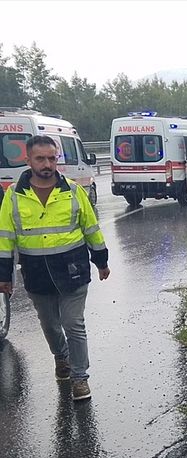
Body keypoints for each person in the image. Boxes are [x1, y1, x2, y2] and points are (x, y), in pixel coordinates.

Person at [0, 135, 110, 401]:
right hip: (36, 272)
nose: (47, 164)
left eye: (52, 158)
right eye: (41, 158)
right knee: (50, 325)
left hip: (72, 269)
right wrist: (4, 277)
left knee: (74, 324)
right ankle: (61, 357)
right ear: (28, 160)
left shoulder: (72, 190)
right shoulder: (14, 195)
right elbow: (5, 238)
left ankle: (80, 378)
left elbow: (91, 227)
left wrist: (101, 261)